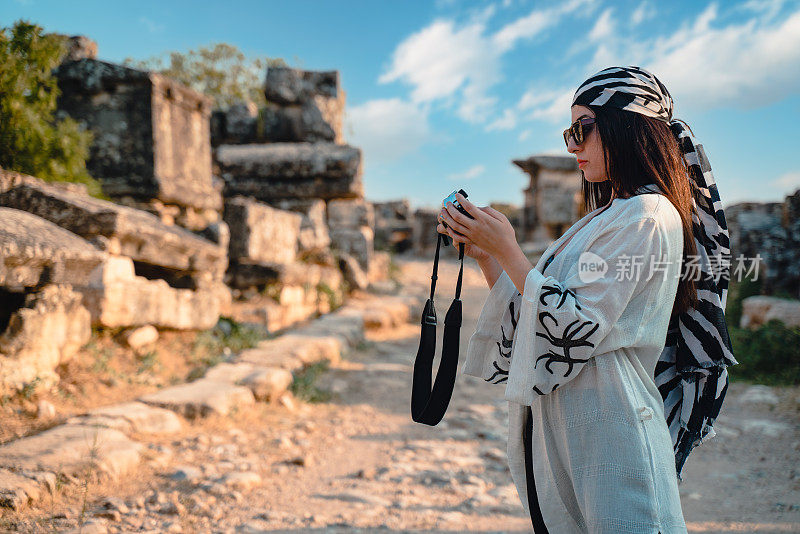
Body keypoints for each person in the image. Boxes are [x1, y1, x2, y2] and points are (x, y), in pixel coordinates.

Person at [437, 66, 734, 533]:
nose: (571, 144)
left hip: (614, 427)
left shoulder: (649, 216)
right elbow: (541, 313)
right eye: (568, 132)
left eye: (582, 128)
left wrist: (509, 249)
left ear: (627, 126)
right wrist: (486, 257)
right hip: (579, 423)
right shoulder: (610, 216)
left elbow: (575, 326)